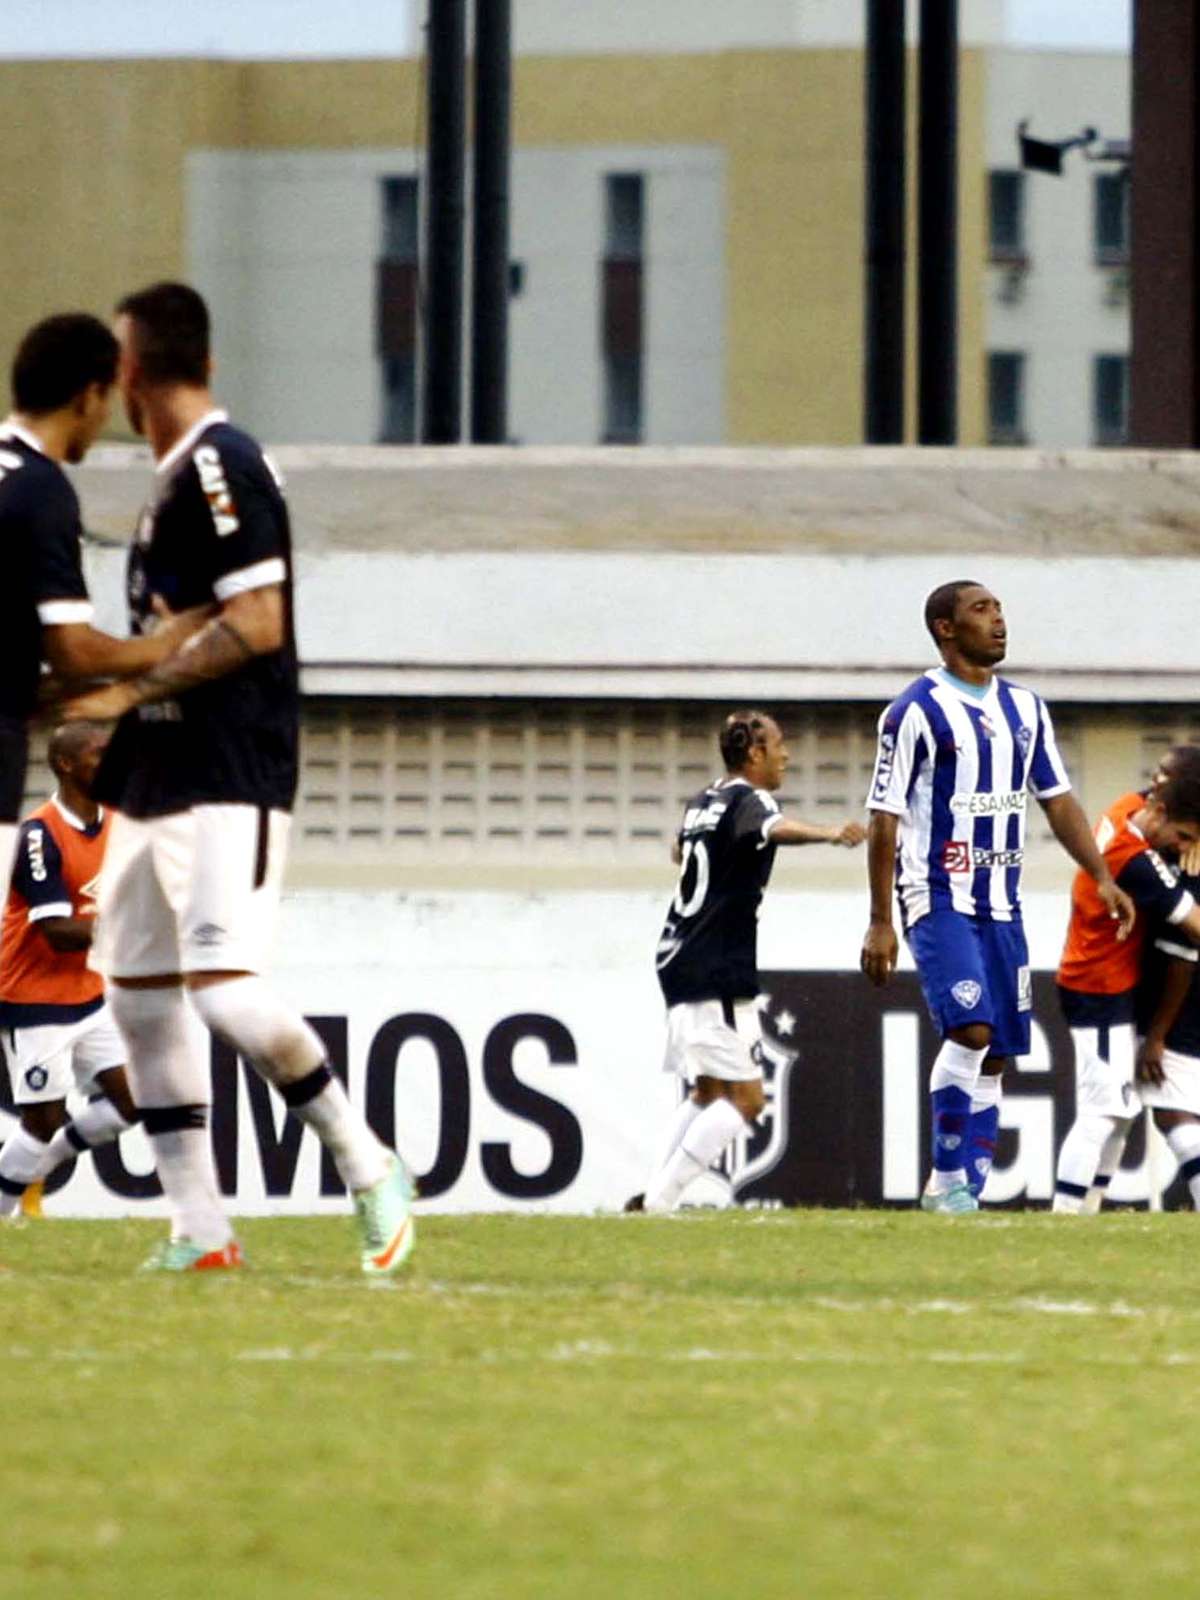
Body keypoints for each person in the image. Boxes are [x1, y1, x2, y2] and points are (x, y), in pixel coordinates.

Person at [63, 282, 413, 1274]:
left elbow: (258, 623)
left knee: (223, 991)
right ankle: (200, 1230)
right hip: (155, 773)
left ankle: (366, 1160)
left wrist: (130, 687)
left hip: (230, 769)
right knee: (136, 997)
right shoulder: (174, 479)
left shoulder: (223, 462)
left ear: (129, 375)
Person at [860, 580, 1135, 1215]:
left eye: (1000, 609)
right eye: (981, 611)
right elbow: (884, 815)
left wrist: (1100, 874)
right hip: (936, 892)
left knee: (996, 1058)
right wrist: (881, 920)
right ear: (945, 629)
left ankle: (962, 1196)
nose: (999, 621)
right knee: (972, 1026)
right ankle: (948, 1179)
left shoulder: (1027, 709)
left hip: (1002, 904)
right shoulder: (913, 712)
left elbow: (1058, 799)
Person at [631, 710, 865, 1212]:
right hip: (716, 965)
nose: (787, 754)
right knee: (746, 1099)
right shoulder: (749, 799)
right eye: (779, 744)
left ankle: (654, 1191)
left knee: (707, 1091)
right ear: (755, 753)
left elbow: (678, 850)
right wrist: (828, 833)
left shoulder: (703, 801)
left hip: (677, 955)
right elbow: (774, 827)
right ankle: (659, 1201)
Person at [0, 312, 204, 885]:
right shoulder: (40, 489)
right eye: (108, 398)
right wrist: (167, 645)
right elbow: (74, 652)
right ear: (89, 396)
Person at [0, 723, 140, 1215]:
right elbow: (57, 932)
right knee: (41, 1120)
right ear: (66, 764)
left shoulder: (119, 820)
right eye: (99, 754)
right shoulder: (39, 835)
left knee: (131, 1103)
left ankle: (37, 1169)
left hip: (88, 994)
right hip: (33, 998)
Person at [1053, 744, 1200, 1212]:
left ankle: (1088, 1210)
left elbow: (1168, 796)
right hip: (1097, 990)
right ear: (1160, 813)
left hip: (1108, 984)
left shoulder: (1127, 807)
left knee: (1121, 1114)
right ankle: (1063, 1216)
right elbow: (1196, 926)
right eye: (1181, 836)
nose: (1182, 847)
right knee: (1103, 1112)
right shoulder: (1135, 862)